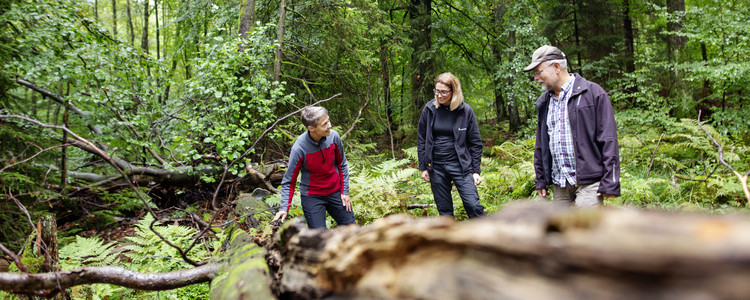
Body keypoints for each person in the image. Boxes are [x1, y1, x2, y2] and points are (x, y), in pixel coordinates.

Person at [524, 45, 620, 207]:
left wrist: (610, 181)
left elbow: (608, 139)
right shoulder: (544, 102)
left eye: (538, 72)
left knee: (586, 231)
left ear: (556, 67)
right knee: (562, 232)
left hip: (590, 182)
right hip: (559, 184)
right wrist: (541, 179)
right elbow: (541, 144)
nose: (536, 78)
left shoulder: (593, 93)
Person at [271, 106, 355, 228]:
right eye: (324, 124)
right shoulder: (299, 149)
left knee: (352, 230)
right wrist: (284, 207)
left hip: (335, 191)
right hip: (312, 197)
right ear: (311, 128)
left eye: (329, 120)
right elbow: (289, 180)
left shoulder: (334, 137)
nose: (330, 125)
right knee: (319, 238)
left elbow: (342, 164)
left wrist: (345, 192)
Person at [417, 72, 486, 218]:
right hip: (436, 166)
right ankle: (450, 238)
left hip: (460, 165)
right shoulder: (429, 109)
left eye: (443, 92)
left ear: (453, 91)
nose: (439, 95)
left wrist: (476, 171)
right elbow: (422, 139)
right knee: (445, 210)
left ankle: (489, 236)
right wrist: (423, 167)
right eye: (437, 91)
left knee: (473, 205)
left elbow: (475, 143)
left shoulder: (465, 111)